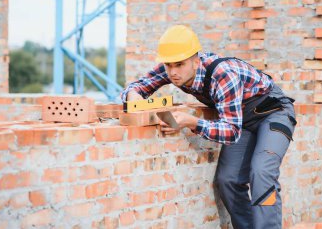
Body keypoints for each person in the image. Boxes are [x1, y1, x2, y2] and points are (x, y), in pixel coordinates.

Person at [121, 25, 297, 229]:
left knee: (261, 173)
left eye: (179, 64)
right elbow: (136, 87)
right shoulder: (171, 69)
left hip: (273, 113)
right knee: (228, 180)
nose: (173, 72)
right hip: (242, 121)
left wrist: (191, 122)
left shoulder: (222, 75)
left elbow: (230, 132)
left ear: (195, 61)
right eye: (169, 65)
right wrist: (134, 98)